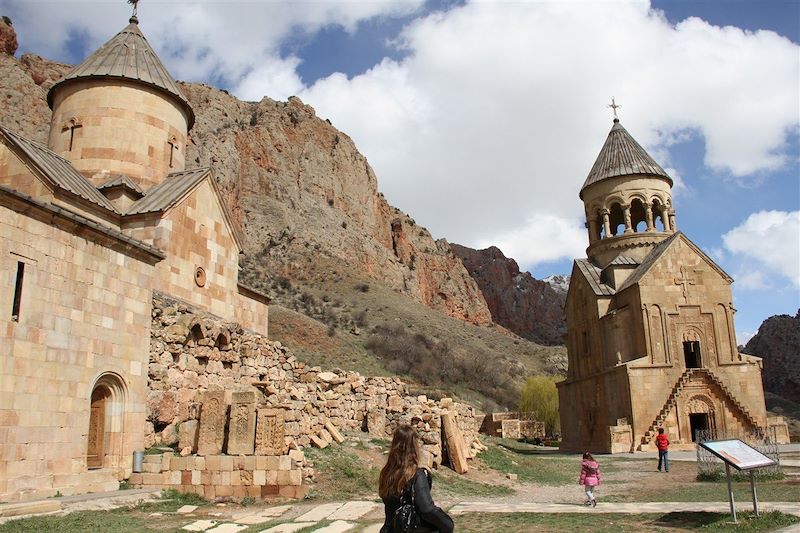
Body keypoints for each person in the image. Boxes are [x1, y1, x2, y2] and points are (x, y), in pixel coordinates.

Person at [379, 425, 454, 533]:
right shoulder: (416, 475)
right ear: (413, 447)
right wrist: (447, 524)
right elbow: (426, 509)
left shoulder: (386, 474)